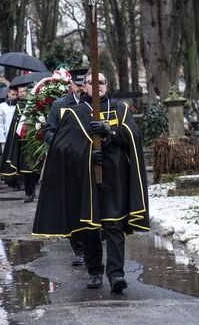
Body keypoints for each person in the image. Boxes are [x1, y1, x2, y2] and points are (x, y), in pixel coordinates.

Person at [32, 70, 149, 293]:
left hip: (115, 179)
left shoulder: (120, 109)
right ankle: (95, 270)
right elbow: (62, 148)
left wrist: (109, 132)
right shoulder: (75, 113)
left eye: (102, 82)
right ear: (83, 87)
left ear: (107, 85)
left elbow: (131, 137)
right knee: (90, 227)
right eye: (91, 83)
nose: (98, 86)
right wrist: (87, 154)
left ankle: (116, 274)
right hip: (87, 179)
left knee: (114, 225)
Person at [42, 70, 86, 264]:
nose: (81, 89)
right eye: (78, 85)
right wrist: (61, 143)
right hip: (68, 163)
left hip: (90, 162)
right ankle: (78, 248)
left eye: (83, 85)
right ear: (71, 86)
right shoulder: (60, 106)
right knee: (73, 206)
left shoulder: (92, 105)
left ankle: (94, 243)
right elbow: (49, 132)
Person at [0, 85, 40, 201]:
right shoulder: (19, 105)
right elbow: (15, 123)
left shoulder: (35, 103)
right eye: (20, 92)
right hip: (23, 140)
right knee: (26, 169)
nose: (21, 93)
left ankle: (33, 189)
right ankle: (28, 192)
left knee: (35, 168)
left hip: (34, 139)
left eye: (23, 91)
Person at [0, 84, 20, 190]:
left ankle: (19, 180)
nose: (14, 96)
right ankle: (10, 179)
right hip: (7, 137)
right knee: (7, 159)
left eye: (16, 94)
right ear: (8, 94)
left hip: (17, 136)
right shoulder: (2, 106)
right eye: (12, 94)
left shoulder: (20, 106)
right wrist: (2, 138)